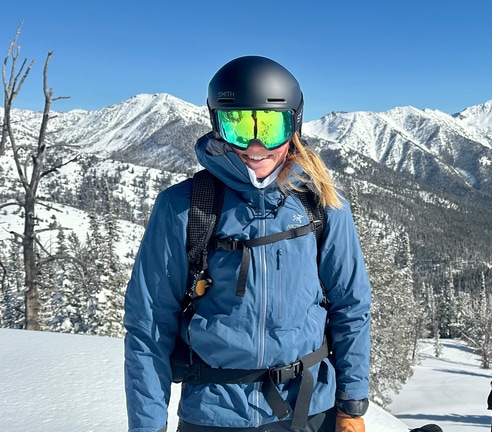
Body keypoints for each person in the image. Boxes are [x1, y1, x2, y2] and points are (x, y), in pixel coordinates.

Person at [124, 55, 371, 432]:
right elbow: (149, 325)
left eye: (270, 127)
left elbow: (351, 307)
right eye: (239, 125)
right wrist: (147, 426)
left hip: (306, 409)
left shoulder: (322, 205)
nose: (255, 145)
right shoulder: (185, 207)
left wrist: (351, 406)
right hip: (214, 413)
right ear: (217, 125)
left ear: (294, 126)